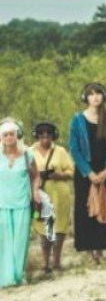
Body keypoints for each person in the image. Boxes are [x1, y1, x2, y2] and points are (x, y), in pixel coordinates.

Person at [69, 82, 106, 265]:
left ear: (103, 96)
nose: (95, 97)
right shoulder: (77, 119)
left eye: (98, 93)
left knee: (104, 208)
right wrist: (89, 172)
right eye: (91, 94)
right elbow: (74, 149)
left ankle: (100, 249)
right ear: (86, 97)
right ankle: (89, 250)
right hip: (86, 172)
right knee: (85, 210)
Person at [0, 118, 41, 288]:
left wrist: (36, 192)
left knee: (20, 242)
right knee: (4, 243)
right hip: (2, 204)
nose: (9, 137)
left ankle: (18, 275)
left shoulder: (26, 155)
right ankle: (6, 278)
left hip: (22, 204)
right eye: (5, 135)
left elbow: (36, 175)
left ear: (17, 135)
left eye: (12, 134)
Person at [30, 122, 75, 274]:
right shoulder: (30, 152)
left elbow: (71, 171)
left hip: (59, 192)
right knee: (43, 228)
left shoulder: (60, 151)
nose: (45, 139)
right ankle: (45, 263)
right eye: (42, 136)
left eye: (48, 136)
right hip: (40, 194)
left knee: (59, 227)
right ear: (37, 136)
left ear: (53, 136)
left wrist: (59, 175)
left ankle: (56, 261)